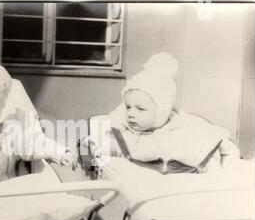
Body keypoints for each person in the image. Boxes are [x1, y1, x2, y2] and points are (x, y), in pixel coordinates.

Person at [84, 52, 240, 174]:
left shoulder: (183, 130)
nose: (131, 114)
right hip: (142, 193)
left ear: (161, 111)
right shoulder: (126, 136)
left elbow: (217, 146)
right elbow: (107, 147)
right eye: (128, 107)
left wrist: (221, 171)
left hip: (179, 189)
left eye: (140, 109)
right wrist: (91, 146)